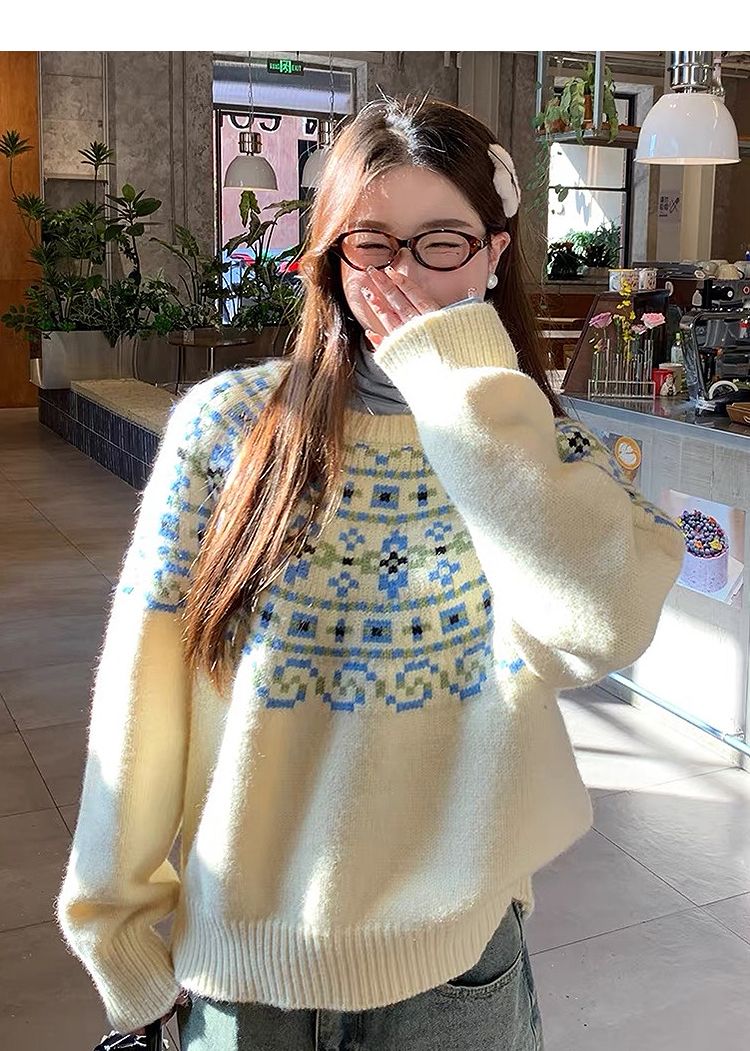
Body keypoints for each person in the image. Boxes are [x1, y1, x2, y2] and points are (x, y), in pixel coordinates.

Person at [57, 96, 684, 1051]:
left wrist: (458, 383)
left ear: (493, 252)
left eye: (443, 241)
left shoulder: (536, 450)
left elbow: (599, 630)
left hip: (456, 970)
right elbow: (141, 707)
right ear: (331, 257)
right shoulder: (228, 430)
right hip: (245, 975)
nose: (402, 274)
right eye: (371, 243)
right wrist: (121, 941)